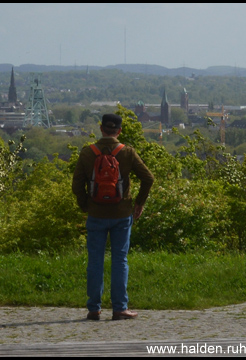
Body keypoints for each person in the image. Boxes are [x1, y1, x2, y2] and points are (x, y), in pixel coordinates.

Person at [72, 113, 154, 321]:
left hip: (96, 214)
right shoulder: (127, 152)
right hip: (122, 213)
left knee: (95, 261)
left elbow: (76, 185)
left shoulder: (87, 153)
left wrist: (85, 206)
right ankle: (120, 308)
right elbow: (148, 178)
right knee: (120, 259)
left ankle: (94, 308)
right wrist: (139, 203)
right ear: (119, 130)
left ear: (101, 129)